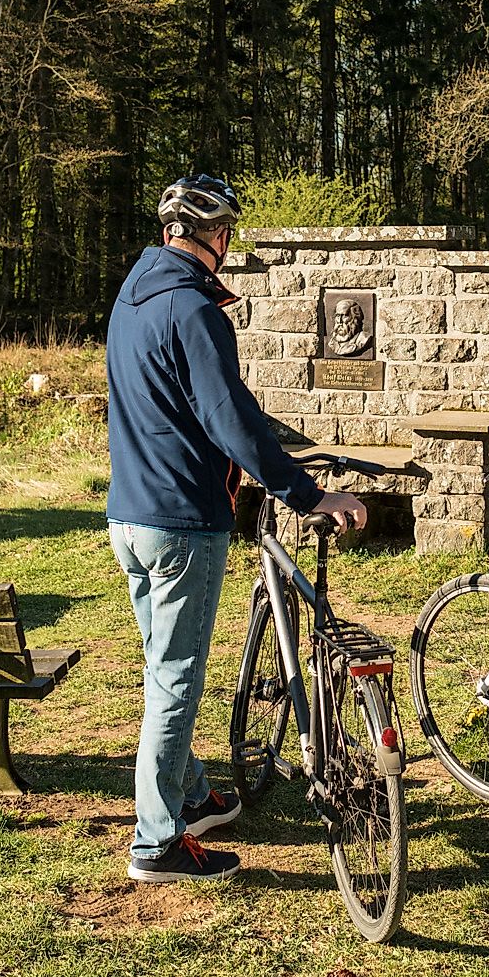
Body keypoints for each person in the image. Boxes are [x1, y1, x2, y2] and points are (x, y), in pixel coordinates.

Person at [103, 173, 369, 883]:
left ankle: (189, 793)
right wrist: (307, 491)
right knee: (176, 678)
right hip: (181, 519)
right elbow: (228, 417)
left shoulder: (133, 296)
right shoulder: (194, 311)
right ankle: (157, 842)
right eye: (228, 235)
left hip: (128, 513)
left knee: (165, 668)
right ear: (214, 237)